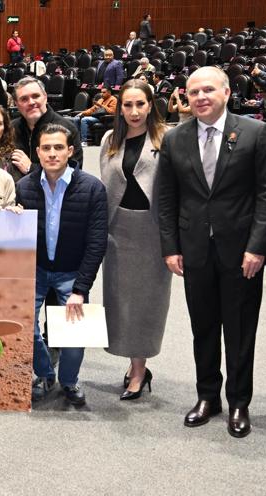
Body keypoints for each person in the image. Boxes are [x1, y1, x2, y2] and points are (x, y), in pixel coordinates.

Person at [155, 66, 266, 438]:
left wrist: (257, 246)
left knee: (240, 331)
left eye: (208, 90)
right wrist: (170, 247)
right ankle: (207, 396)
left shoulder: (255, 132)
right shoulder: (175, 138)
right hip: (194, 250)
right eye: (193, 92)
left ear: (226, 92)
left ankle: (239, 401)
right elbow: (166, 198)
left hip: (242, 253)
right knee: (203, 328)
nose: (200, 97)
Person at [14, 124, 108, 406]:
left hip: (72, 272)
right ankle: (44, 374)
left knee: (75, 335)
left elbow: (96, 243)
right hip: (35, 270)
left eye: (58, 147)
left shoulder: (92, 188)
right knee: (23, 325)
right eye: (46, 148)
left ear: (70, 151)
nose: (52, 153)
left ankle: (69, 380)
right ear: (37, 152)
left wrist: (81, 289)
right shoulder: (24, 187)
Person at [99, 80, 171, 401]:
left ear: (150, 105)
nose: (134, 111)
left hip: (151, 232)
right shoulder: (109, 139)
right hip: (117, 231)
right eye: (127, 105)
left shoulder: (166, 138)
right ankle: (132, 363)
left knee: (146, 304)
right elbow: (106, 186)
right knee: (120, 303)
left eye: (140, 104)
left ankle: (139, 370)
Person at [11, 77, 82, 172]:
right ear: (16, 104)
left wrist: (31, 168)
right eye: (24, 99)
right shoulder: (11, 129)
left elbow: (73, 172)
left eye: (36, 96)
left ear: (45, 97)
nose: (31, 102)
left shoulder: (67, 128)